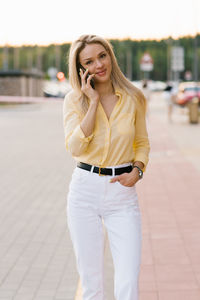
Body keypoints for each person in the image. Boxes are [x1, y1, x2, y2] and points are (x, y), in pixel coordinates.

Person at [63, 34, 150, 300]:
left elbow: (142, 142)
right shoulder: (74, 101)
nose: (99, 65)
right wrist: (92, 103)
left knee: (127, 280)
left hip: (122, 195)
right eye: (89, 61)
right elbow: (75, 147)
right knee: (91, 283)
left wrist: (138, 171)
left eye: (102, 56)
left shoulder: (133, 97)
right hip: (84, 192)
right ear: (80, 69)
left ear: (110, 56)